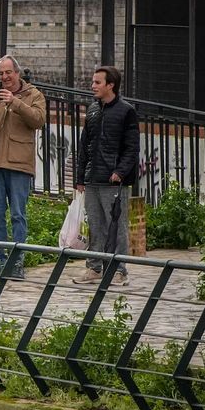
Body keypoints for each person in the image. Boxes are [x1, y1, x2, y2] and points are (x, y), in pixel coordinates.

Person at [0, 55, 45, 278]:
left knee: (17, 215)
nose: (4, 77)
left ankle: (17, 264)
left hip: (19, 164)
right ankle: (1, 264)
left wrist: (15, 102)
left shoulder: (33, 95)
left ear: (17, 73)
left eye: (8, 73)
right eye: (1, 74)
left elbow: (38, 120)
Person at [73, 64, 139, 285]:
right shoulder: (92, 110)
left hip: (113, 181)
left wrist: (120, 172)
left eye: (97, 82)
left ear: (111, 85)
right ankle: (94, 268)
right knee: (95, 225)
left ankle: (120, 270)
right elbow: (85, 145)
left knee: (116, 226)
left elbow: (131, 147)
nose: (93, 86)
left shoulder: (126, 111)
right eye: (93, 82)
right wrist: (80, 177)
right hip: (93, 179)